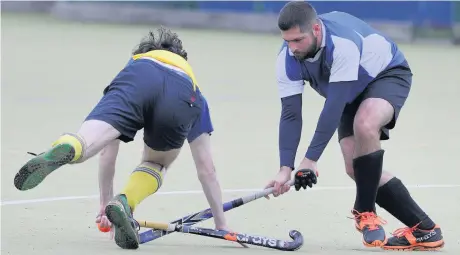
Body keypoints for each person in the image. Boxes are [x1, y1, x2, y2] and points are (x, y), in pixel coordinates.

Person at [14, 27, 230, 250]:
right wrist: (221, 225)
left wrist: (103, 202)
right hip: (182, 96)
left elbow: (108, 151)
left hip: (139, 78)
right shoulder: (195, 89)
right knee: (156, 163)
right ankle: (125, 201)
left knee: (86, 142)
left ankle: (67, 146)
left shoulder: (135, 64)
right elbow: (207, 169)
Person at [264, 1, 444, 251]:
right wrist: (285, 167)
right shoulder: (286, 59)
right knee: (355, 169)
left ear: (316, 29)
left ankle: (365, 211)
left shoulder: (342, 45)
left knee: (365, 123)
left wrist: (310, 160)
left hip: (385, 73)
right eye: (287, 41)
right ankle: (426, 229)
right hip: (349, 90)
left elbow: (334, 107)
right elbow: (291, 115)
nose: (292, 48)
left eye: (298, 40)